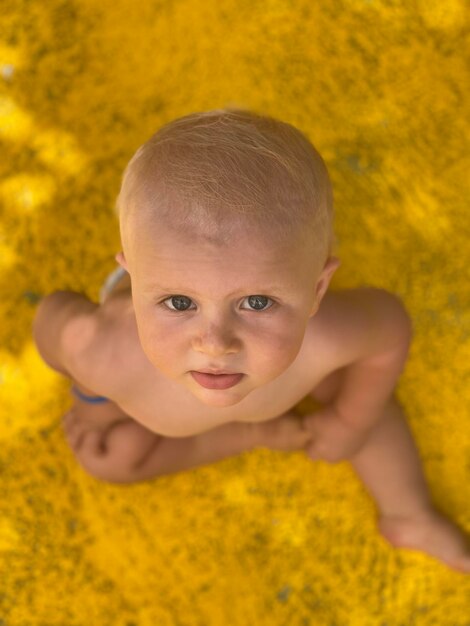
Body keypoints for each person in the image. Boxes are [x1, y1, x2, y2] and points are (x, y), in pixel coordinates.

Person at [33, 108, 470, 572]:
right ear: (134, 278)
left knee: (366, 401)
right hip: (153, 387)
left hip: (283, 367)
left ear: (316, 290)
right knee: (109, 460)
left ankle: (409, 514)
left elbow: (389, 329)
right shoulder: (104, 351)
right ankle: (249, 435)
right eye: (179, 304)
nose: (215, 344)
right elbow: (52, 320)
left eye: (258, 303)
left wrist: (350, 420)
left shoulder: (324, 338)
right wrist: (90, 395)